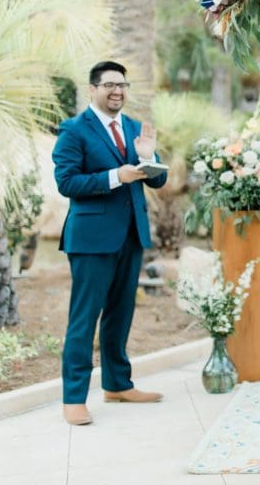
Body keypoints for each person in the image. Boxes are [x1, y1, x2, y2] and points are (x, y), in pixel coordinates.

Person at [52, 61, 168, 426]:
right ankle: (73, 398)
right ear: (92, 89)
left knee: (121, 314)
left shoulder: (135, 128)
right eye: (109, 85)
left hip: (131, 235)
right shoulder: (73, 130)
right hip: (90, 239)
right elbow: (68, 183)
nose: (117, 91)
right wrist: (115, 176)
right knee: (84, 318)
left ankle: (118, 384)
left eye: (122, 84)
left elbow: (157, 182)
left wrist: (148, 156)